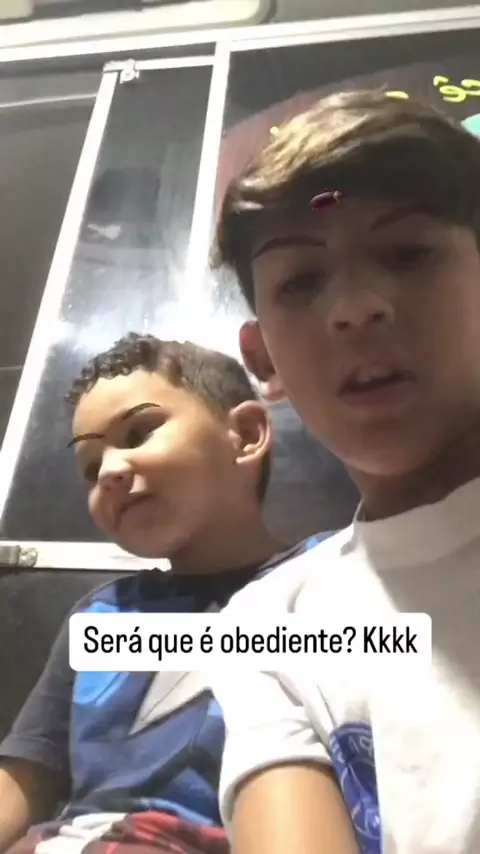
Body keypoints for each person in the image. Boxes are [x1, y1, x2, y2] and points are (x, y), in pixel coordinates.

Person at [210, 90, 480, 854]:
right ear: (263, 359)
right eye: (301, 281)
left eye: (408, 255)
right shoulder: (271, 628)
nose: (355, 308)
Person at [0, 333, 325, 854]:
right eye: (91, 469)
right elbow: (24, 776)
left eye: (139, 432)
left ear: (245, 434)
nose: (109, 471)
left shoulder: (332, 580)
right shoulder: (101, 616)